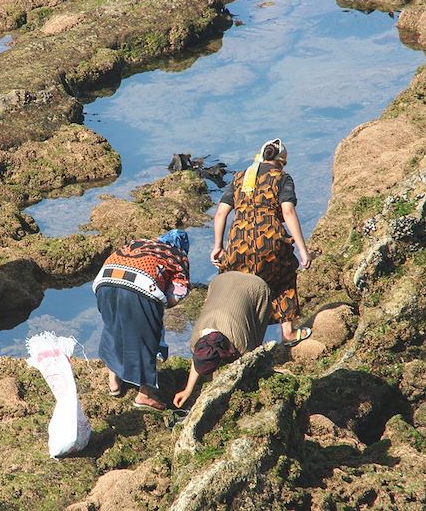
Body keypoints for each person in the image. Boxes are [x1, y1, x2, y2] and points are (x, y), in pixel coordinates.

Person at [211, 138, 312, 345]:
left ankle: (230, 338)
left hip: (238, 244)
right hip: (270, 243)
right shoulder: (282, 178)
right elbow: (288, 210)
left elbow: (221, 213)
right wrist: (303, 250)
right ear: (281, 161)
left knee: (234, 289)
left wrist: (218, 247)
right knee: (285, 276)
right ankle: (288, 333)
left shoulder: (240, 177)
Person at [93, 229, 191, 411]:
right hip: (140, 288)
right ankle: (144, 395)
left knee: (113, 327)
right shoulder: (178, 256)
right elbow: (176, 295)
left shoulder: (140, 243)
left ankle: (114, 383)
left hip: (103, 282)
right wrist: (155, 310)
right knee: (147, 339)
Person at [173, 271, 271, 408]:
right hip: (221, 280)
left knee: (256, 335)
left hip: (256, 287)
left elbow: (250, 360)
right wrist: (188, 390)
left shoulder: (240, 343)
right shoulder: (196, 338)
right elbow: (198, 358)